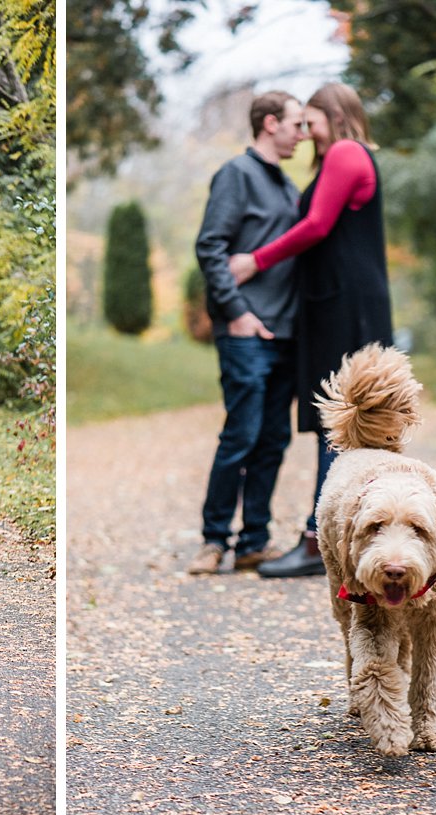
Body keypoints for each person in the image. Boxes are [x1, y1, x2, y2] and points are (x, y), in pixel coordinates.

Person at [228, 82, 394, 578]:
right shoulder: (344, 157)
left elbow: (318, 225)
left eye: (310, 120)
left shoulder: (345, 152)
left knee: (339, 425)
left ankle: (319, 541)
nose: (305, 131)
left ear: (332, 114)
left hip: (344, 306)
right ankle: (338, 537)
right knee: (345, 426)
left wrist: (254, 261)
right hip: (337, 304)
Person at [186, 90, 306, 575]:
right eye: (296, 124)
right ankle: (214, 540)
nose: (303, 134)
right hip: (246, 331)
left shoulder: (288, 185)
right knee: (241, 434)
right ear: (270, 123)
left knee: (274, 438)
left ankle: (253, 540)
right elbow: (210, 246)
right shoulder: (237, 174)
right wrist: (235, 311)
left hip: (287, 333)